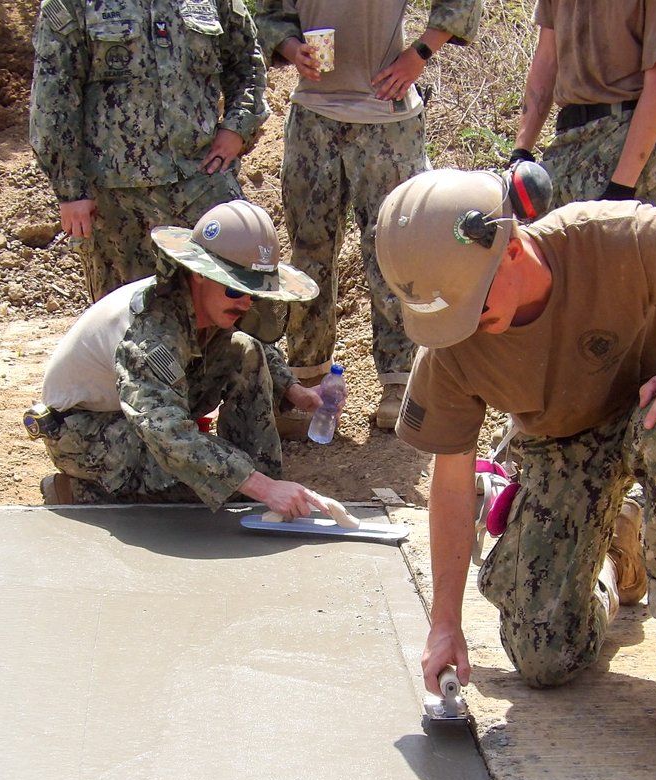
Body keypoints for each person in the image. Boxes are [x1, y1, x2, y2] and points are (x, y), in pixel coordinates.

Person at [375, 169, 656, 733]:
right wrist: (444, 622)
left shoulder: (611, 239)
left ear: (513, 249)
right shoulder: (451, 345)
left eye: (472, 305)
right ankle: (618, 559)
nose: (463, 327)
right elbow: (450, 483)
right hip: (561, 448)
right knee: (544, 658)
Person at [254, 0, 482, 436]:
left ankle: (401, 383)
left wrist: (421, 53)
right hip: (312, 119)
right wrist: (288, 45)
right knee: (308, 253)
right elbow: (268, 12)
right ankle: (307, 379)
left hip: (386, 118)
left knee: (394, 253)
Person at [33, 199, 330, 519]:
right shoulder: (150, 334)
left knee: (246, 351)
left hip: (132, 411)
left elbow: (249, 342)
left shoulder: (205, 303)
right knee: (202, 482)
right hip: (84, 429)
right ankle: (79, 491)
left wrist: (295, 391)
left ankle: (259, 484)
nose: (245, 303)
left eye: (253, 292)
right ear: (200, 273)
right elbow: (168, 434)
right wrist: (255, 485)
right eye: (235, 290)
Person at [29, 0, 270, 305]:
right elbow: (53, 96)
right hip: (117, 203)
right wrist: (70, 189)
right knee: (127, 321)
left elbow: (247, 61)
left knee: (238, 305)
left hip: (203, 183)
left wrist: (237, 127)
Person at [510, 0, 656, 208]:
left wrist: (621, 188)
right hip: (568, 141)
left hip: (625, 141)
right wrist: (520, 154)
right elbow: (547, 58)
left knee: (613, 239)